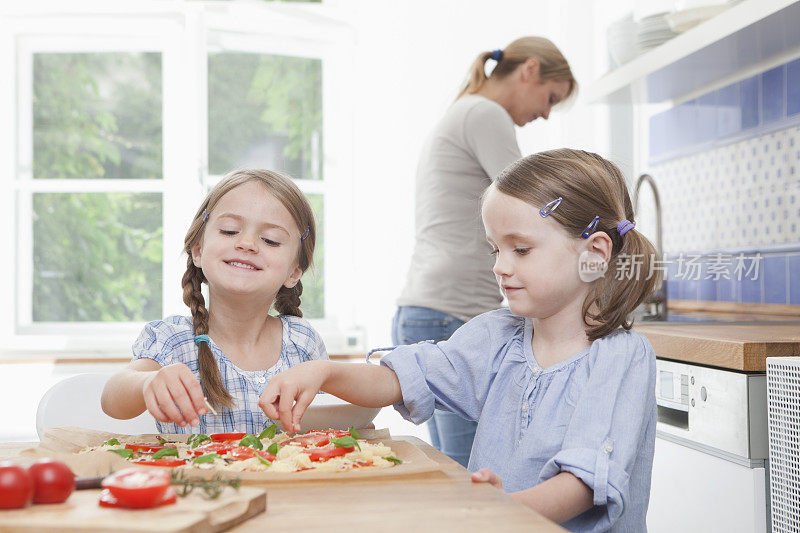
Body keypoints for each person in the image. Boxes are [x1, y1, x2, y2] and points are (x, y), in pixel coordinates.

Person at [261, 149, 660, 531]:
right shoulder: (496, 336)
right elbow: (402, 378)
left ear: (594, 252)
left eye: (521, 249)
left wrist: (501, 509)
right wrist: (325, 371)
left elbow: (584, 484)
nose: (501, 267)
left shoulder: (621, 356)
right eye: (495, 249)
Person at [394, 37, 577, 467]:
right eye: (551, 97)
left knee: (456, 472)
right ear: (529, 70)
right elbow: (534, 202)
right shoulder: (485, 113)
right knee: (475, 476)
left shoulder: (465, 111)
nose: (547, 113)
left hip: (427, 305)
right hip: (450, 311)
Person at [101, 169, 326, 435]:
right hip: (197, 478)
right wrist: (148, 382)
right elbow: (112, 399)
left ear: (294, 272)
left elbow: (329, 417)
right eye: (229, 231)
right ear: (198, 251)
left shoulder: (302, 342)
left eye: (270, 240)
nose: (247, 243)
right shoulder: (172, 340)